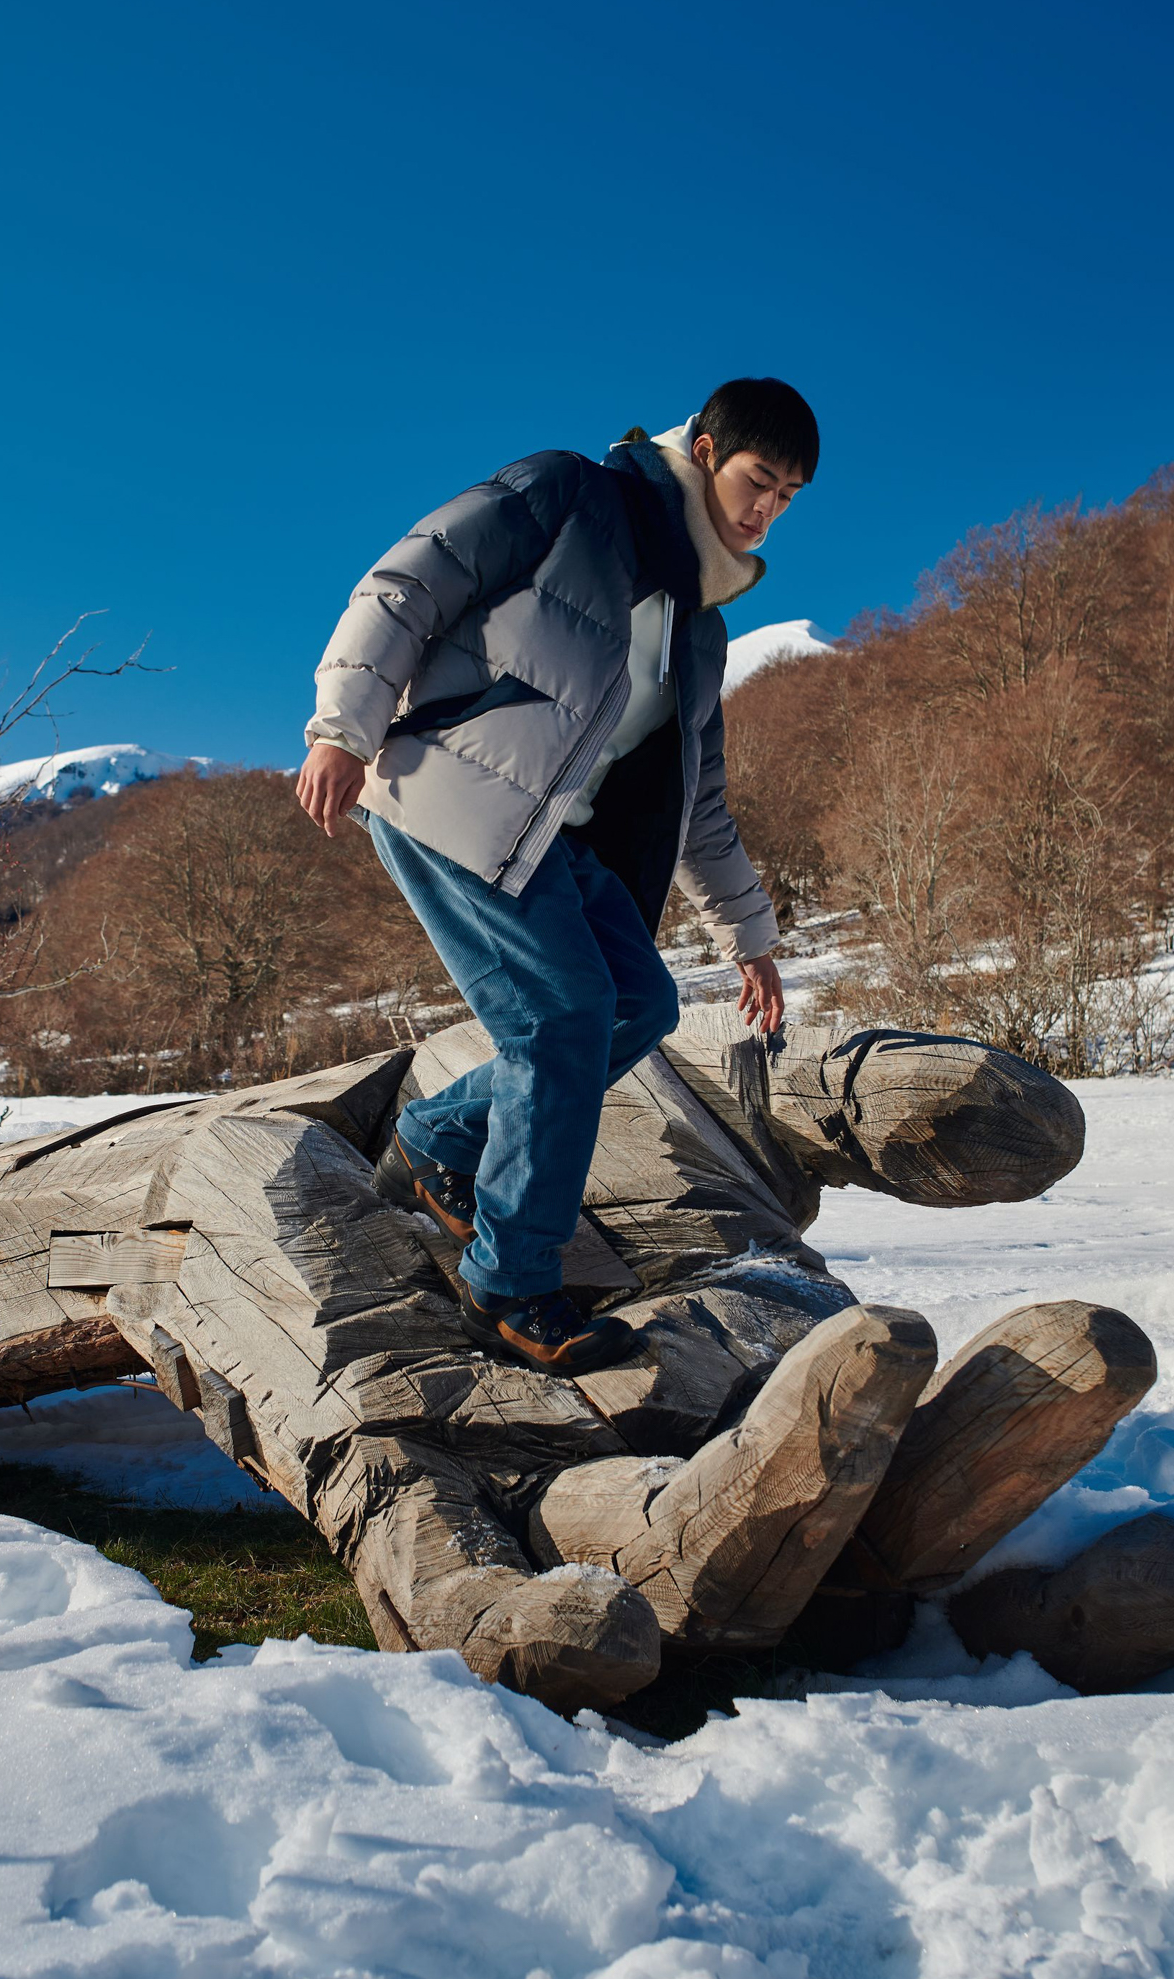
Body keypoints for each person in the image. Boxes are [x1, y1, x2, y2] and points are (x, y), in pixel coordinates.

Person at [296, 378, 817, 1377]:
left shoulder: (699, 630)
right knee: (562, 1016)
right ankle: (512, 1285)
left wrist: (750, 937)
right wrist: (340, 728)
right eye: (760, 479)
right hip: (448, 797)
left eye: (789, 497)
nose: (766, 510)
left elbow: (698, 801)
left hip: (553, 842)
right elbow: (409, 582)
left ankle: (441, 1136)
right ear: (704, 450)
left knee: (636, 1005)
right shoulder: (567, 497)